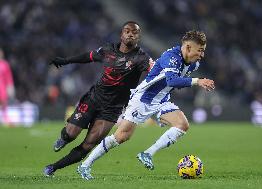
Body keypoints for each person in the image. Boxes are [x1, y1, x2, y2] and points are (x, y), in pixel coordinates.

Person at [77, 30, 215, 180]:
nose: (202, 55)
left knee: (182, 124)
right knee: (121, 136)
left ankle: (147, 153)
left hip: (161, 100)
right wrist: (198, 81)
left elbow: (174, 83)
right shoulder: (171, 57)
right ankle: (85, 165)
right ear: (188, 47)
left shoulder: (193, 65)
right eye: (200, 50)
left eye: (203, 51)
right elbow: (172, 81)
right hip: (143, 100)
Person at [44, 21, 154, 176]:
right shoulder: (107, 49)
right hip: (94, 99)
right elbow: (88, 57)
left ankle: (53, 168)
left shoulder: (141, 58)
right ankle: (64, 138)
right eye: (127, 31)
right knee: (71, 133)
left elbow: (155, 71)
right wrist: (66, 60)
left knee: (88, 144)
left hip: (112, 109)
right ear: (121, 35)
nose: (130, 34)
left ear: (138, 37)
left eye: (134, 32)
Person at [0, 48, 15, 126]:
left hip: (2, 87)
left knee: (3, 103)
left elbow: (9, 77)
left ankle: (5, 119)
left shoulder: (5, 64)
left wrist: (10, 87)